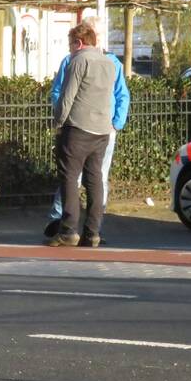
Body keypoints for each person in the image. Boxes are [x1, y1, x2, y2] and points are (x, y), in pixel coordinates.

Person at [44, 16, 130, 239]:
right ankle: (93, 231)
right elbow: (120, 95)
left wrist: (59, 123)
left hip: (79, 128)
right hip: (103, 130)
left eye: (71, 44)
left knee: (70, 178)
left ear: (79, 42)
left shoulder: (77, 60)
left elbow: (66, 95)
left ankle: (67, 229)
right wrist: (114, 123)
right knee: (96, 179)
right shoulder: (111, 63)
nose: (70, 49)